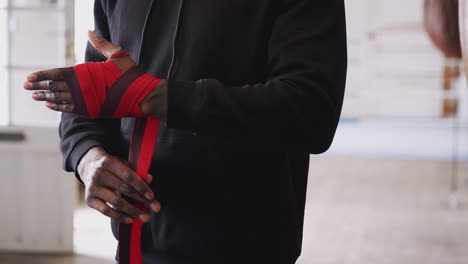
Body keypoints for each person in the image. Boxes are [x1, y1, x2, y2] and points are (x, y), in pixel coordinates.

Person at [24, 0, 347, 263]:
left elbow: (311, 111)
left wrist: (156, 96)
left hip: (247, 245)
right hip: (135, 244)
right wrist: (87, 157)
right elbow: (94, 94)